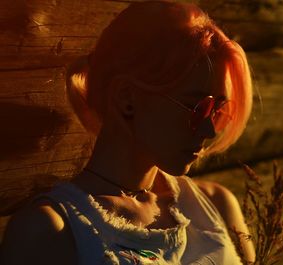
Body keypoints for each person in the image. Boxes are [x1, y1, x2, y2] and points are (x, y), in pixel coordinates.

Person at [0, 1, 255, 264]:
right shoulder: (51, 231)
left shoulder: (218, 207)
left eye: (217, 110)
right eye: (197, 107)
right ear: (126, 99)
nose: (210, 129)